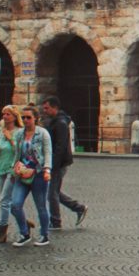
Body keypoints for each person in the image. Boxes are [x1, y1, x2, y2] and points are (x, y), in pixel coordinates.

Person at [10, 105, 53, 247]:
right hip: (22, 173)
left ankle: (44, 235)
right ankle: (24, 233)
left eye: (28, 117)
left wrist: (47, 169)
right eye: (23, 117)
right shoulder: (19, 134)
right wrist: (14, 167)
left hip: (39, 174)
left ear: (36, 118)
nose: (26, 120)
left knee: (41, 206)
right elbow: (17, 153)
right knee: (15, 205)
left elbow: (48, 152)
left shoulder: (42, 133)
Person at [41, 96, 87, 229]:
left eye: (47, 108)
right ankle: (79, 208)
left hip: (58, 163)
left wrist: (52, 166)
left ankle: (56, 221)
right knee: (53, 191)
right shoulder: (55, 121)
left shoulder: (60, 123)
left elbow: (60, 146)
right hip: (56, 162)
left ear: (55, 107)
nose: (45, 110)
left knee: (52, 193)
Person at [0, 105, 33, 243]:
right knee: (8, 201)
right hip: (1, 167)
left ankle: (1, 232)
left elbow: (20, 150)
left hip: (13, 169)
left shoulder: (19, 132)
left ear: (15, 116)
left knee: (4, 200)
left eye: (8, 114)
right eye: (3, 114)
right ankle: (24, 222)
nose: (5, 116)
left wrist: (10, 139)